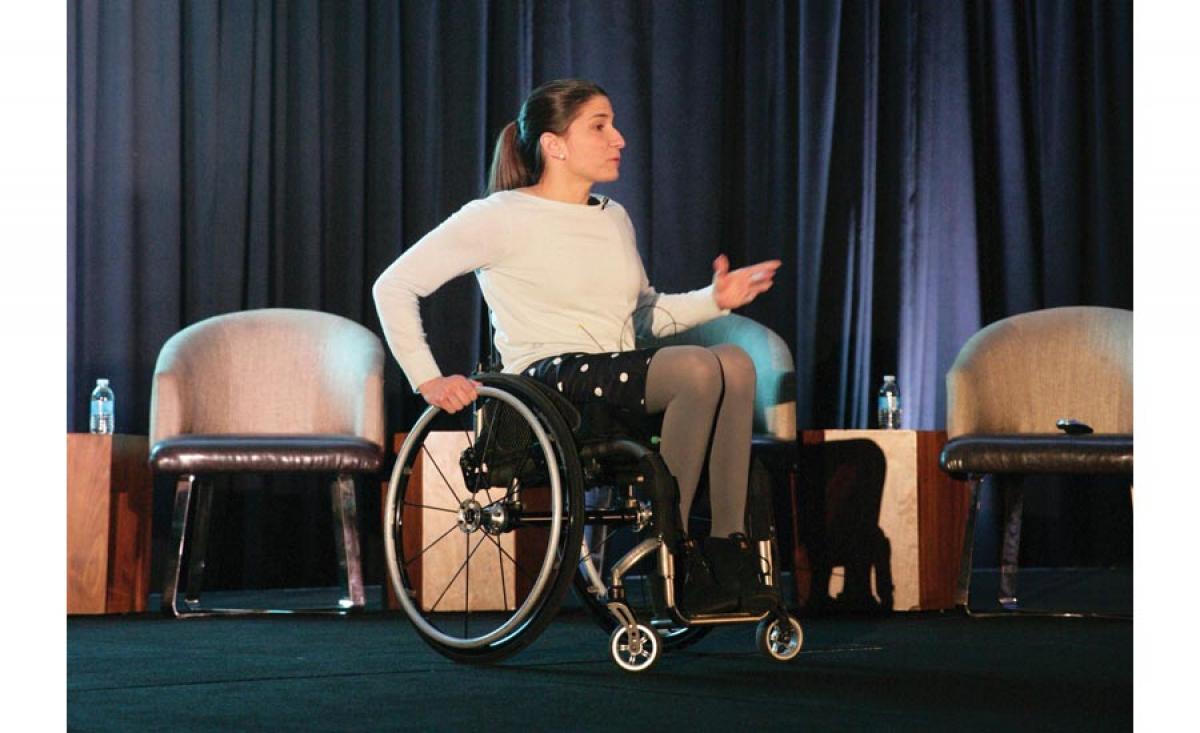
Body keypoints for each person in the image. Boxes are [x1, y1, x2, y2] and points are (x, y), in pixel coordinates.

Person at [373, 79, 782, 616]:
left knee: (733, 361)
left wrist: (714, 298)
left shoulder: (612, 216)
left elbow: (640, 317)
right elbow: (393, 286)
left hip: (617, 375)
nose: (619, 138)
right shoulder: (498, 215)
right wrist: (427, 378)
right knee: (698, 370)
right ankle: (675, 556)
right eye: (600, 125)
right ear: (554, 144)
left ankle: (728, 552)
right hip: (548, 384)